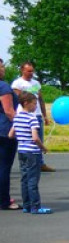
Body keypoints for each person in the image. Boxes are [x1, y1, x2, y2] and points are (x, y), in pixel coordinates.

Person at [10, 92, 50, 214]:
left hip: (21, 150)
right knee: (33, 179)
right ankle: (35, 207)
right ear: (26, 103)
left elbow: (11, 134)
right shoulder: (32, 118)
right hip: (32, 152)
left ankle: (26, 205)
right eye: (34, 104)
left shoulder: (17, 117)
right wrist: (43, 148)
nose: (35, 107)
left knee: (25, 178)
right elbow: (35, 138)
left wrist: (22, 137)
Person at [11, 62, 53, 172]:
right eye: (29, 71)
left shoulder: (36, 83)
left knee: (39, 139)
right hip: (24, 115)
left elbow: (41, 100)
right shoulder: (18, 83)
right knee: (27, 139)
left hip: (37, 114)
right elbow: (17, 99)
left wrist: (45, 116)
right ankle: (27, 162)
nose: (31, 73)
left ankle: (40, 163)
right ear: (22, 70)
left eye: (32, 71)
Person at [0, 58, 19, 211]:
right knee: (4, 167)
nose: (3, 69)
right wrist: (20, 126)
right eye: (1, 67)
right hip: (5, 131)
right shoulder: (4, 86)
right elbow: (9, 111)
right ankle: (4, 200)